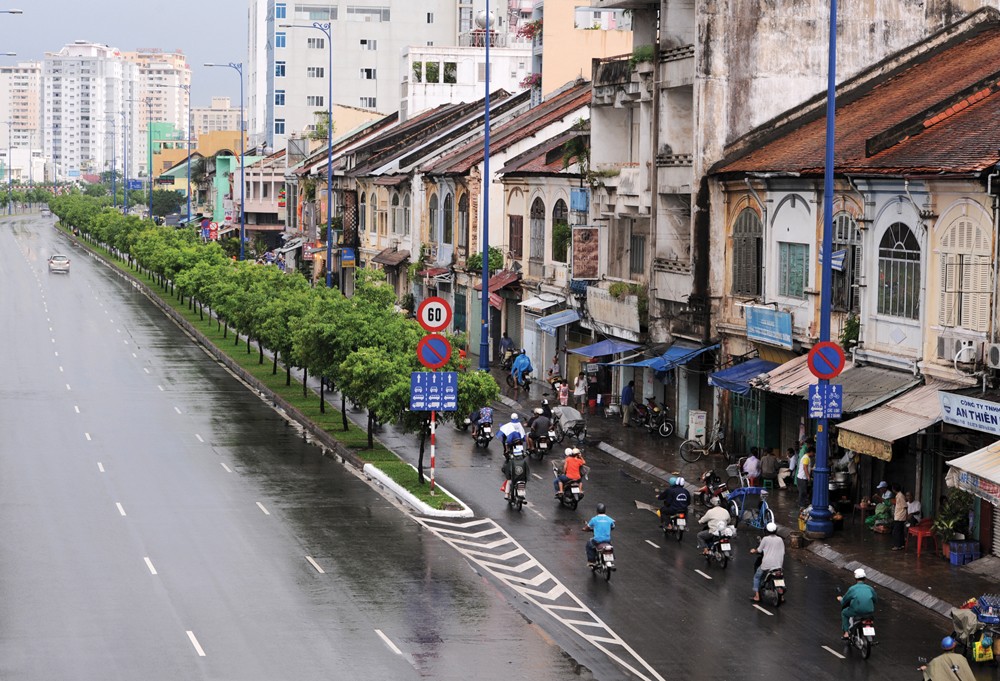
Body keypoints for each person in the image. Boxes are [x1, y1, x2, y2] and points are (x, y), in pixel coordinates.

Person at [838, 568, 877, 640]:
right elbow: (875, 600)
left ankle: (846, 633)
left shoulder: (853, 589)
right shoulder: (870, 588)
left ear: (855, 578)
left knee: (844, 613)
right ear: (865, 578)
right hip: (869, 612)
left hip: (856, 611)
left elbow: (844, 601)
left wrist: (841, 599)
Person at [750, 522, 785, 602]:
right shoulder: (780, 539)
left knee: (757, 577)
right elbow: (783, 552)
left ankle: (757, 596)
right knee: (781, 577)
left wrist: (753, 551)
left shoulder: (765, 539)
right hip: (778, 564)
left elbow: (759, 550)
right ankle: (782, 597)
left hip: (766, 565)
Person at [891, 483, 907, 550]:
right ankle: (901, 544)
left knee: (896, 531)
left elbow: (905, 506)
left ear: (894, 489)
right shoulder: (898, 495)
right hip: (899, 515)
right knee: (900, 531)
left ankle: (897, 545)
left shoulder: (900, 496)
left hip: (900, 516)